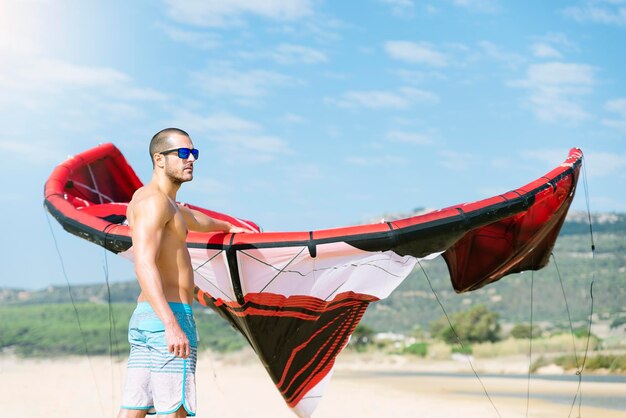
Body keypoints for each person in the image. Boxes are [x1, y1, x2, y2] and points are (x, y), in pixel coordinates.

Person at [118, 128, 251, 417]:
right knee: (176, 411)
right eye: (183, 153)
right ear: (159, 159)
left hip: (147, 318)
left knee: (133, 410)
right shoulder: (153, 202)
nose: (191, 159)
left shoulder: (162, 203)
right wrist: (171, 324)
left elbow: (194, 219)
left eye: (194, 153)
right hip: (168, 315)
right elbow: (144, 262)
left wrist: (228, 228)